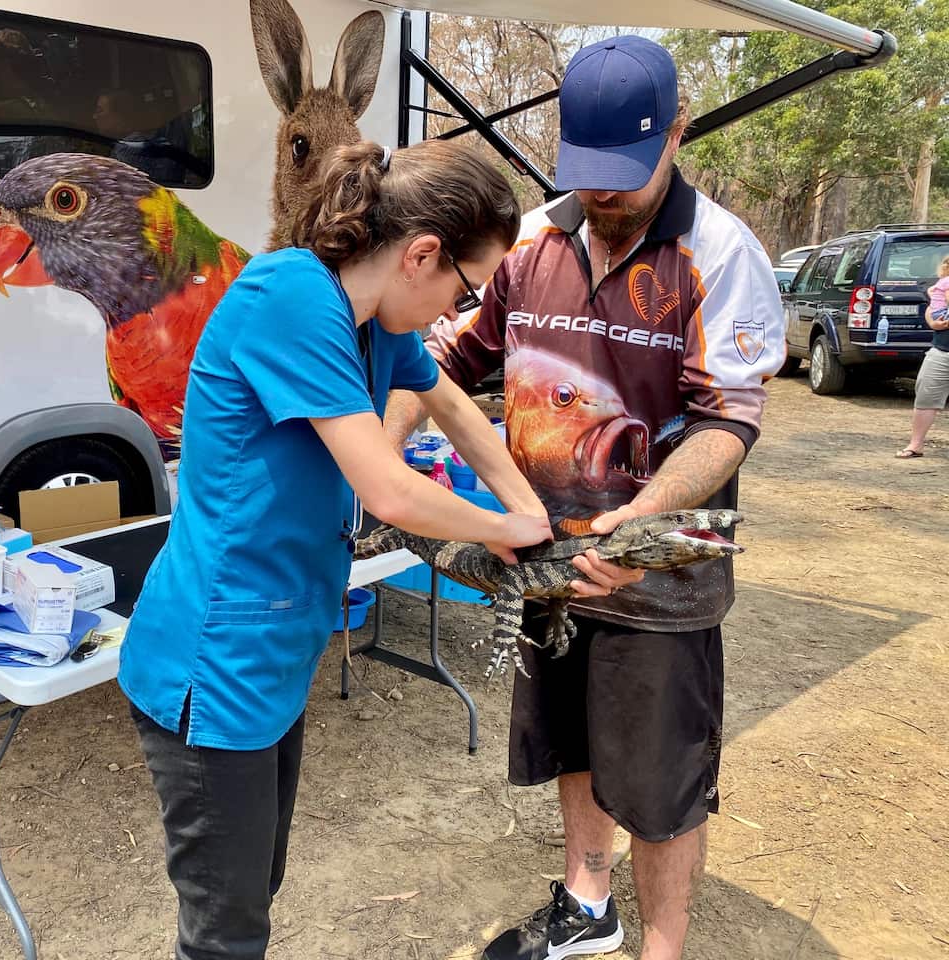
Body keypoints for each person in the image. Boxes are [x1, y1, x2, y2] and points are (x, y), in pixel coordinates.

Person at [117, 137, 639, 960]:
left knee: (255, 888)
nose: (455, 314)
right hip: (212, 663)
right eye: (461, 291)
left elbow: (460, 410)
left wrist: (533, 512)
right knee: (224, 929)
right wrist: (507, 533)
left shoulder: (370, 323)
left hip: (272, 657)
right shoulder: (291, 296)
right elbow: (386, 490)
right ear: (420, 255)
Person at [384, 37, 783, 960]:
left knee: (661, 780)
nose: (601, 194)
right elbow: (443, 360)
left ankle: (663, 946)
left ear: (676, 133)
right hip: (545, 564)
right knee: (570, 738)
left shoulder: (717, 254)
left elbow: (729, 422)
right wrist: (381, 448)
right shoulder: (531, 241)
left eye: (624, 174)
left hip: (657, 577)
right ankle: (588, 899)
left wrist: (639, 518)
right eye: (585, 170)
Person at [896, 254, 949, 458]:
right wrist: (933, 322)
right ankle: (915, 445)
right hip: (941, 349)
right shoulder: (942, 285)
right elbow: (932, 309)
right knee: (926, 396)